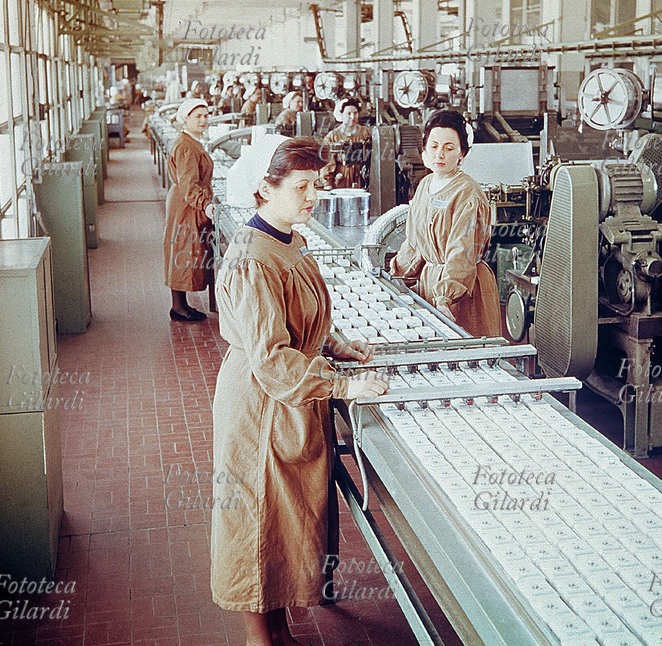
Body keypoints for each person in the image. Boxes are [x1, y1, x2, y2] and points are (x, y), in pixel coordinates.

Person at [211, 136, 388, 646]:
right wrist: (343, 384)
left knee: (284, 524)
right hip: (263, 407)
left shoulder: (289, 238)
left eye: (318, 183)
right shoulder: (252, 257)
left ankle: (280, 627)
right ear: (265, 189)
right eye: (303, 185)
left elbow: (297, 320)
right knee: (256, 518)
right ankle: (257, 637)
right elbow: (271, 357)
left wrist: (336, 344)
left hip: (291, 398)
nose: (315, 195)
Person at [390, 109, 501, 337]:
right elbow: (414, 244)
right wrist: (394, 276)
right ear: (424, 150)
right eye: (434, 146)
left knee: (467, 359)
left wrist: (446, 297)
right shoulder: (425, 185)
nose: (440, 154)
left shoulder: (468, 193)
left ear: (462, 153)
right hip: (431, 286)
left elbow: (463, 252)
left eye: (449, 148)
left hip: (463, 289)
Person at [163, 97, 215, 322]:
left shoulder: (192, 140)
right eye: (198, 116)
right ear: (186, 119)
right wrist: (205, 204)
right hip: (186, 205)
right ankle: (178, 308)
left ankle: (182, 304)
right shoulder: (186, 146)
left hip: (188, 202)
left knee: (186, 250)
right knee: (183, 250)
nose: (204, 120)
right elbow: (189, 184)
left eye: (206, 115)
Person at [322, 97, 370, 189]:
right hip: (341, 178)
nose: (352, 117)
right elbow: (327, 161)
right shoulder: (333, 136)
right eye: (349, 113)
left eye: (355, 113)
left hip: (362, 177)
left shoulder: (366, 133)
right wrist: (328, 182)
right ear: (341, 115)